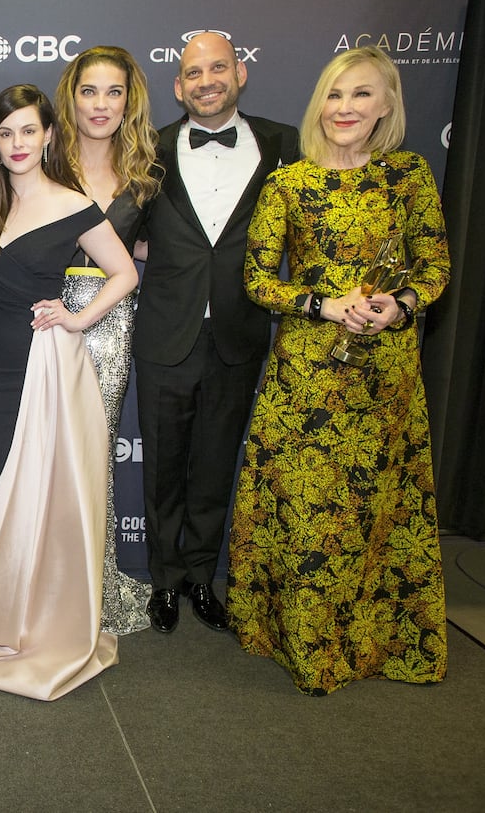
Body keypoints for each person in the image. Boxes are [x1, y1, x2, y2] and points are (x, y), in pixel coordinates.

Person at [228, 46, 450, 695]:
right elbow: (257, 279)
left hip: (387, 373)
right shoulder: (288, 183)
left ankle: (377, 635)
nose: (345, 108)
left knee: (377, 507)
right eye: (334, 94)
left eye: (361, 95)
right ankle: (306, 641)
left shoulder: (410, 175)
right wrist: (324, 304)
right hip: (308, 374)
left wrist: (399, 305)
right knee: (310, 510)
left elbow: (435, 267)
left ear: (386, 105)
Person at [0, 84, 137, 700]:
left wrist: (77, 316)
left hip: (34, 363)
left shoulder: (74, 205)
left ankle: (31, 619)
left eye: (27, 131)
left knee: (31, 487)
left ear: (48, 136)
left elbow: (122, 273)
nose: (16, 144)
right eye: (4, 132)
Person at [135, 32, 299, 635]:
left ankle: (202, 577)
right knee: (162, 469)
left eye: (218, 69)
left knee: (213, 463)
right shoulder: (148, 149)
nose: (207, 81)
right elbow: (121, 229)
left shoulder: (286, 143)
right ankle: (164, 580)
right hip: (165, 333)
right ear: (178, 87)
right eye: (193, 73)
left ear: (240, 73)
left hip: (238, 331)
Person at [55, 45, 160, 636]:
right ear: (71, 97)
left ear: (129, 101)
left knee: (96, 455)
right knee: (44, 454)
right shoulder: (45, 161)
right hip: (45, 322)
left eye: (113, 92)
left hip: (111, 323)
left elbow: (135, 247)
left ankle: (93, 582)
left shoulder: (145, 176)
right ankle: (46, 581)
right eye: (89, 91)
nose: (100, 104)